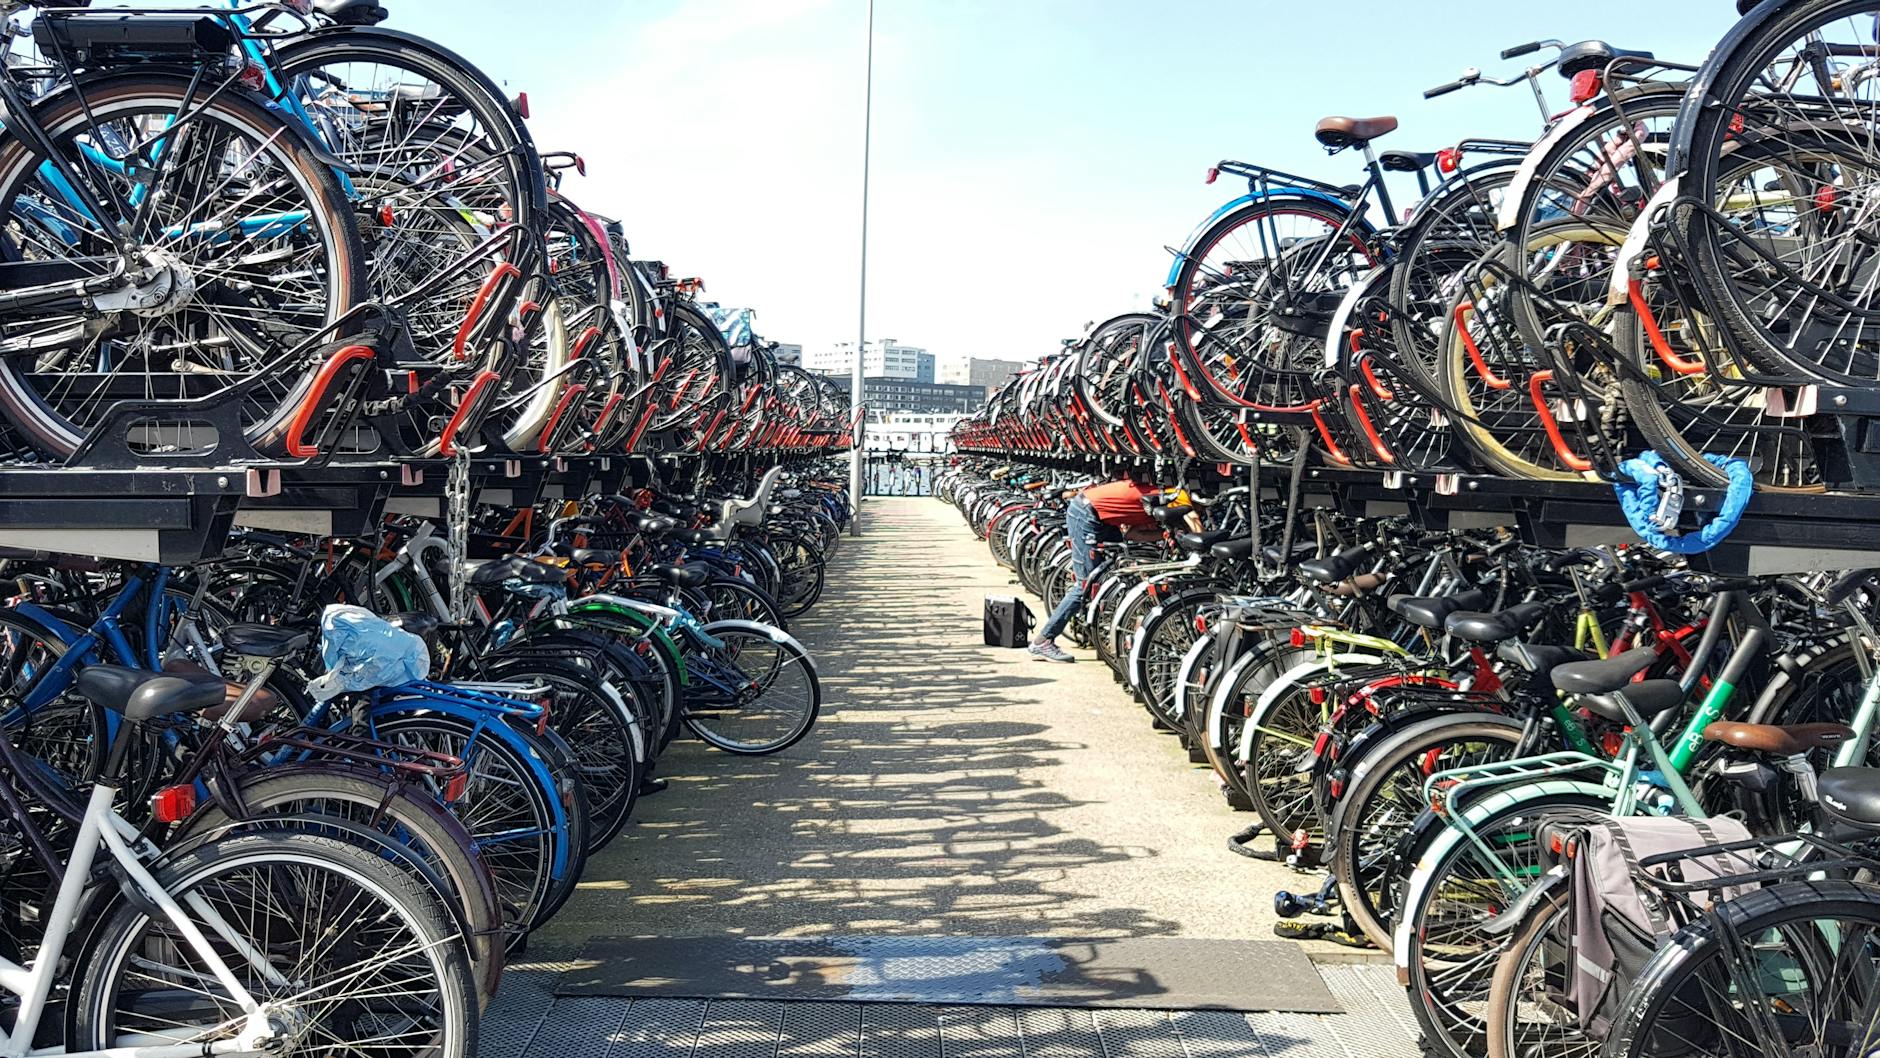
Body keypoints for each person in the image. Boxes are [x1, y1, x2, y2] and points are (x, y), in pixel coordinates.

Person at [1029, 477, 1193, 662]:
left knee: (1115, 568)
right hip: (1086, 514)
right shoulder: (1178, 499)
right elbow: (1193, 522)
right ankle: (1043, 641)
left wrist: (1165, 535)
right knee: (1087, 584)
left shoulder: (1164, 498)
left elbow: (1132, 534)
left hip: (1101, 517)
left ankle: (1094, 628)